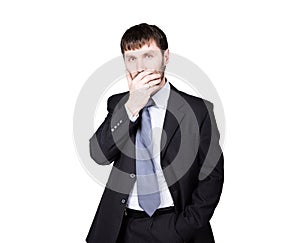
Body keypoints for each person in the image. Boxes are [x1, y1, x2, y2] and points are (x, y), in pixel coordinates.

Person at [86, 23, 224, 243]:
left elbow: (212, 176)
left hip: (175, 223)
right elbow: (99, 155)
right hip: (125, 228)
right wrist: (132, 106)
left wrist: (184, 226)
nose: (140, 67)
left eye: (148, 56)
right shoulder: (119, 105)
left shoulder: (198, 110)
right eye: (131, 58)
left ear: (166, 56)